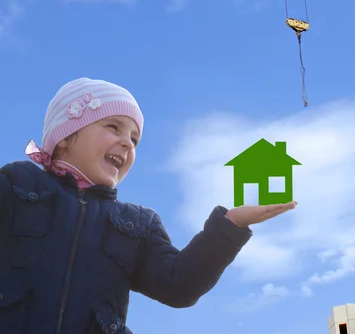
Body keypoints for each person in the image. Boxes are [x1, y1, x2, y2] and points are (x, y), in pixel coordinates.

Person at [0, 77, 297, 334]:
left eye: (134, 138)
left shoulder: (137, 223)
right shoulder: (17, 183)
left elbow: (179, 285)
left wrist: (230, 225)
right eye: (113, 127)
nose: (127, 143)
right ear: (65, 136)